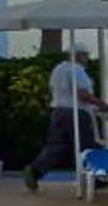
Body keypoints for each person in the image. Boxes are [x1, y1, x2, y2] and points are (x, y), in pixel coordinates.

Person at [34, 50, 103, 188]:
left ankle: (35, 171)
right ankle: (93, 178)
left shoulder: (58, 69)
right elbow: (82, 93)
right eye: (85, 55)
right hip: (76, 113)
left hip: (58, 111)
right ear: (78, 55)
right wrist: (100, 103)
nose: (87, 59)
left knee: (56, 146)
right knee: (86, 146)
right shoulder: (77, 70)